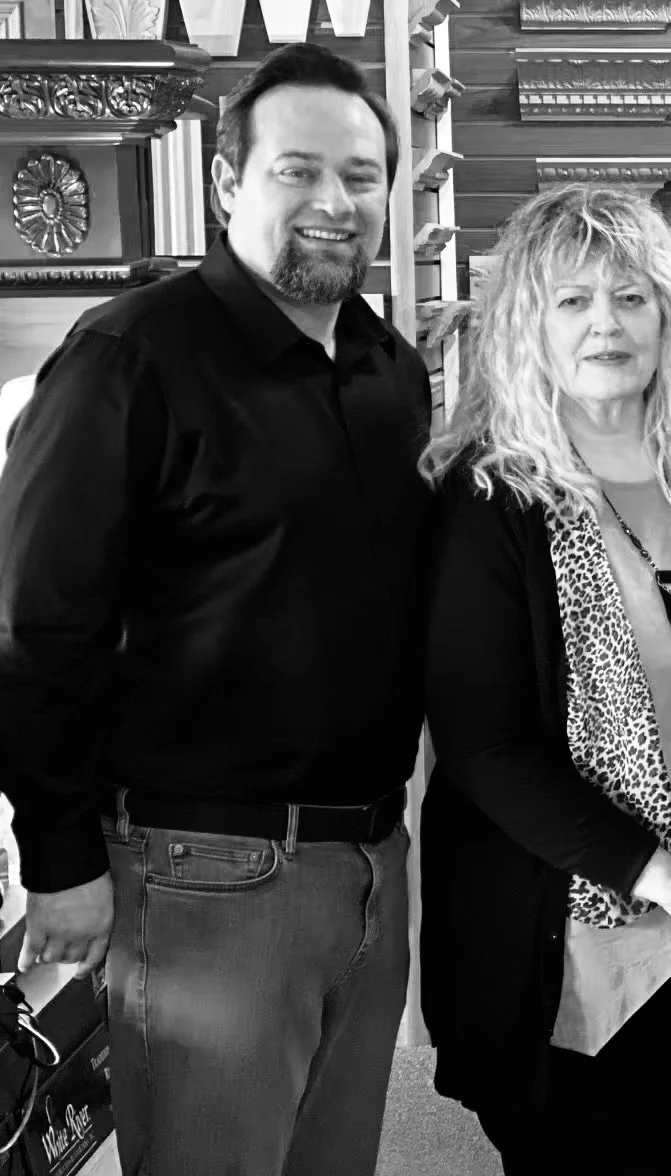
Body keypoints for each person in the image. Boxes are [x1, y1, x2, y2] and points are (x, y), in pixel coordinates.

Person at [0, 43, 428, 1176]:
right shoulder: (128, 358)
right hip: (202, 877)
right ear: (229, 183)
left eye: (362, 175)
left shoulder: (391, 368)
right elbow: (35, 629)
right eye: (298, 171)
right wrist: (58, 860)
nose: (334, 203)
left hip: (374, 860)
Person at [419, 183, 671, 1176]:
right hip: (578, 954)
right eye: (571, 301)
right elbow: (486, 749)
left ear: (670, 315)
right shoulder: (489, 498)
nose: (605, 324)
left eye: (630, 296)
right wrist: (666, 880)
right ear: (526, 326)